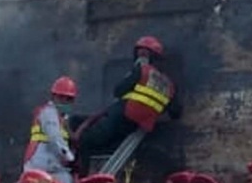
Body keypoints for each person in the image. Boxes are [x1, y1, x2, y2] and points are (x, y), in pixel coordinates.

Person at [73, 36, 183, 173]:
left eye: (143, 53)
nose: (140, 56)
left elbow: (119, 91)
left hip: (120, 116)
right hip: (138, 126)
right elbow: (176, 113)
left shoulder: (142, 71)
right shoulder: (169, 85)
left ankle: (79, 177)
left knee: (85, 140)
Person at [22, 76, 82, 183]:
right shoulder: (48, 113)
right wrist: (71, 159)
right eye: (61, 98)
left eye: (68, 99)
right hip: (41, 165)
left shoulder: (62, 117)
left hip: (53, 166)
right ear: (53, 97)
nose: (65, 102)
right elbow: (55, 138)